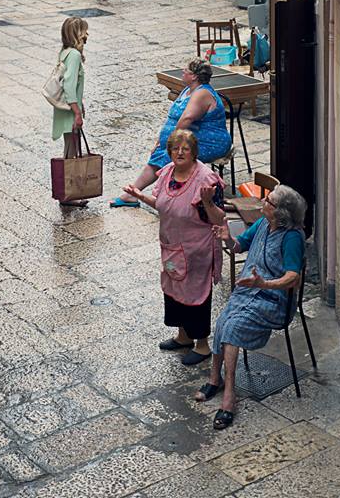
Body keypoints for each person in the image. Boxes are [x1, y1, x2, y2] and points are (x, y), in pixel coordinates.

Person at [196, 185, 307, 430]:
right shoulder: (263, 224)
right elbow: (239, 246)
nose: (263, 202)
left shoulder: (292, 238)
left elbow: (293, 278)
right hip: (247, 292)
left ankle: (229, 395)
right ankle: (215, 378)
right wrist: (227, 238)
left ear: (281, 213)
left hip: (273, 300)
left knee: (233, 327)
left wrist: (264, 283)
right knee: (223, 320)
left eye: (269, 201)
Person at [123, 130, 225, 365]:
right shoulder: (167, 172)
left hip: (196, 250)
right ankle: (183, 336)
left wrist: (208, 201)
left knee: (196, 296)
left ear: (194, 152)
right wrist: (139, 195)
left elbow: (218, 219)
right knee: (174, 291)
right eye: (175, 148)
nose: (180, 152)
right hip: (172, 245)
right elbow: (161, 204)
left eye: (185, 148)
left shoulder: (206, 179)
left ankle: (201, 345)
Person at [110, 58, 232, 208]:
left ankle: (149, 194)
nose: (182, 72)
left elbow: (187, 119)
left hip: (210, 142)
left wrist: (170, 142)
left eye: (186, 70)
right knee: (162, 152)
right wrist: (160, 141)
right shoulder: (187, 90)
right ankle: (134, 193)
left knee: (170, 154)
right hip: (188, 136)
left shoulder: (202, 94)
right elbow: (173, 120)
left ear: (194, 76)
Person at [51, 17, 89, 206]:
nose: (87, 34)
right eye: (84, 31)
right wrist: (77, 112)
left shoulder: (64, 52)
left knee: (70, 149)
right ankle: (68, 194)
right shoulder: (73, 55)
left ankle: (67, 192)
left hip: (65, 109)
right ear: (77, 34)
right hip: (69, 110)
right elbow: (69, 85)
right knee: (71, 152)